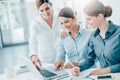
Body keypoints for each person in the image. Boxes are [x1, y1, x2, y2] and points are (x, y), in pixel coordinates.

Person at [71, 0, 120, 76]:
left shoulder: (118, 33)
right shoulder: (94, 37)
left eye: (89, 19)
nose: (86, 22)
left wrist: (106, 70)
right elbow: (90, 60)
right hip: (105, 77)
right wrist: (78, 67)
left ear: (100, 16)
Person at [29, 0, 62, 68]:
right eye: (42, 10)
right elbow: (33, 40)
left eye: (47, 8)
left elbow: (67, 31)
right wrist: (33, 55)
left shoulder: (58, 19)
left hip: (60, 58)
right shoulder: (35, 23)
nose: (45, 12)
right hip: (45, 60)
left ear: (51, 6)